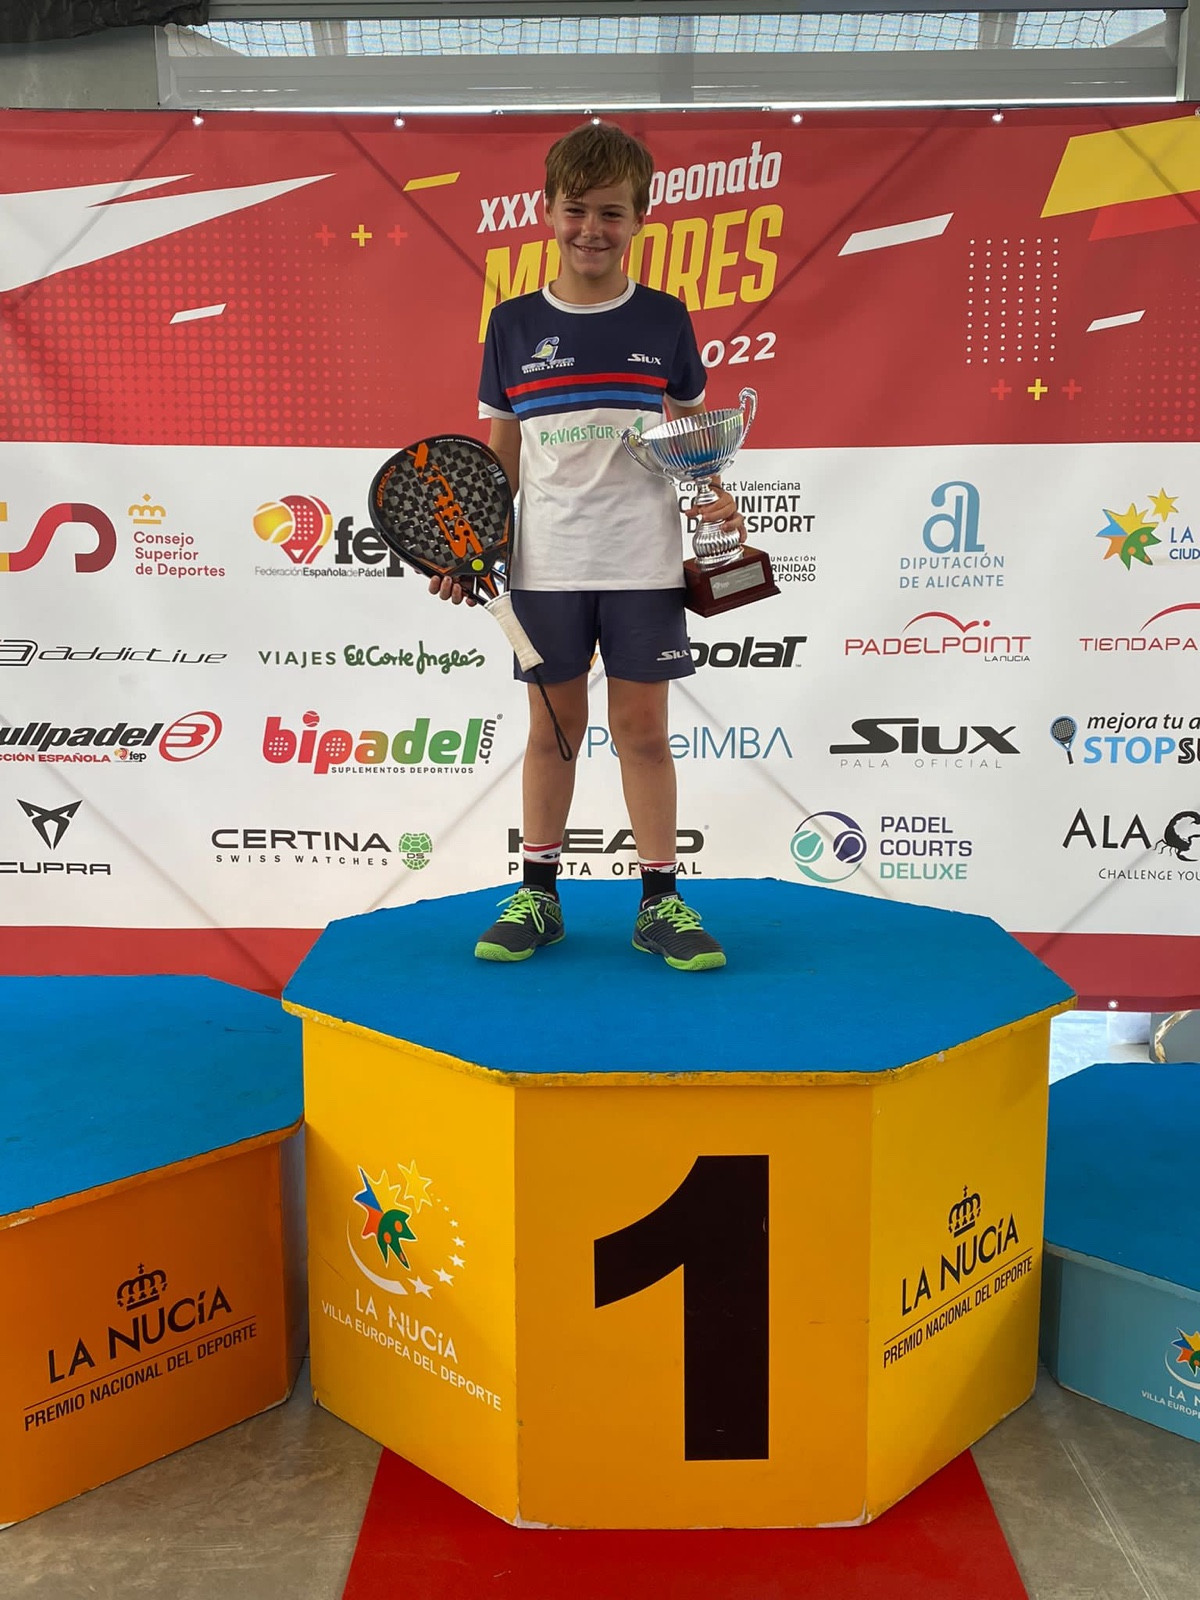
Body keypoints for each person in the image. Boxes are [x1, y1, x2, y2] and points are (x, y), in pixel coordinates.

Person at [430, 120, 745, 971]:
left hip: (644, 560)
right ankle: (538, 896)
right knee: (554, 731)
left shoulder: (666, 319)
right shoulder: (512, 324)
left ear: (641, 218)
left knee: (642, 731)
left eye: (612, 212)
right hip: (548, 565)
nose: (591, 229)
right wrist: (476, 544)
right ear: (547, 211)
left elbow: (692, 438)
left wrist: (714, 497)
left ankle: (660, 902)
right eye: (576, 210)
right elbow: (501, 455)